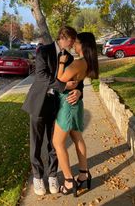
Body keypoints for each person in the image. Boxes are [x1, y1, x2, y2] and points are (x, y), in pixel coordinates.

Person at [22, 26, 84, 196]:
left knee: (54, 143)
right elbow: (42, 76)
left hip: (57, 106)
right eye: (72, 41)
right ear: (64, 37)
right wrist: (63, 85)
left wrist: (79, 91)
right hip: (39, 103)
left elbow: (78, 80)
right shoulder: (43, 51)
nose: (73, 44)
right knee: (36, 143)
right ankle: (37, 177)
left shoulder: (70, 58)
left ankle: (52, 175)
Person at [52, 32, 99, 197]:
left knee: (57, 143)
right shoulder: (87, 62)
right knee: (77, 137)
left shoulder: (79, 63)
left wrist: (61, 63)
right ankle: (84, 174)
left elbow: (60, 79)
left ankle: (69, 180)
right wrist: (78, 92)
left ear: (83, 45)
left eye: (77, 42)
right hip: (75, 103)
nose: (74, 44)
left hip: (68, 105)